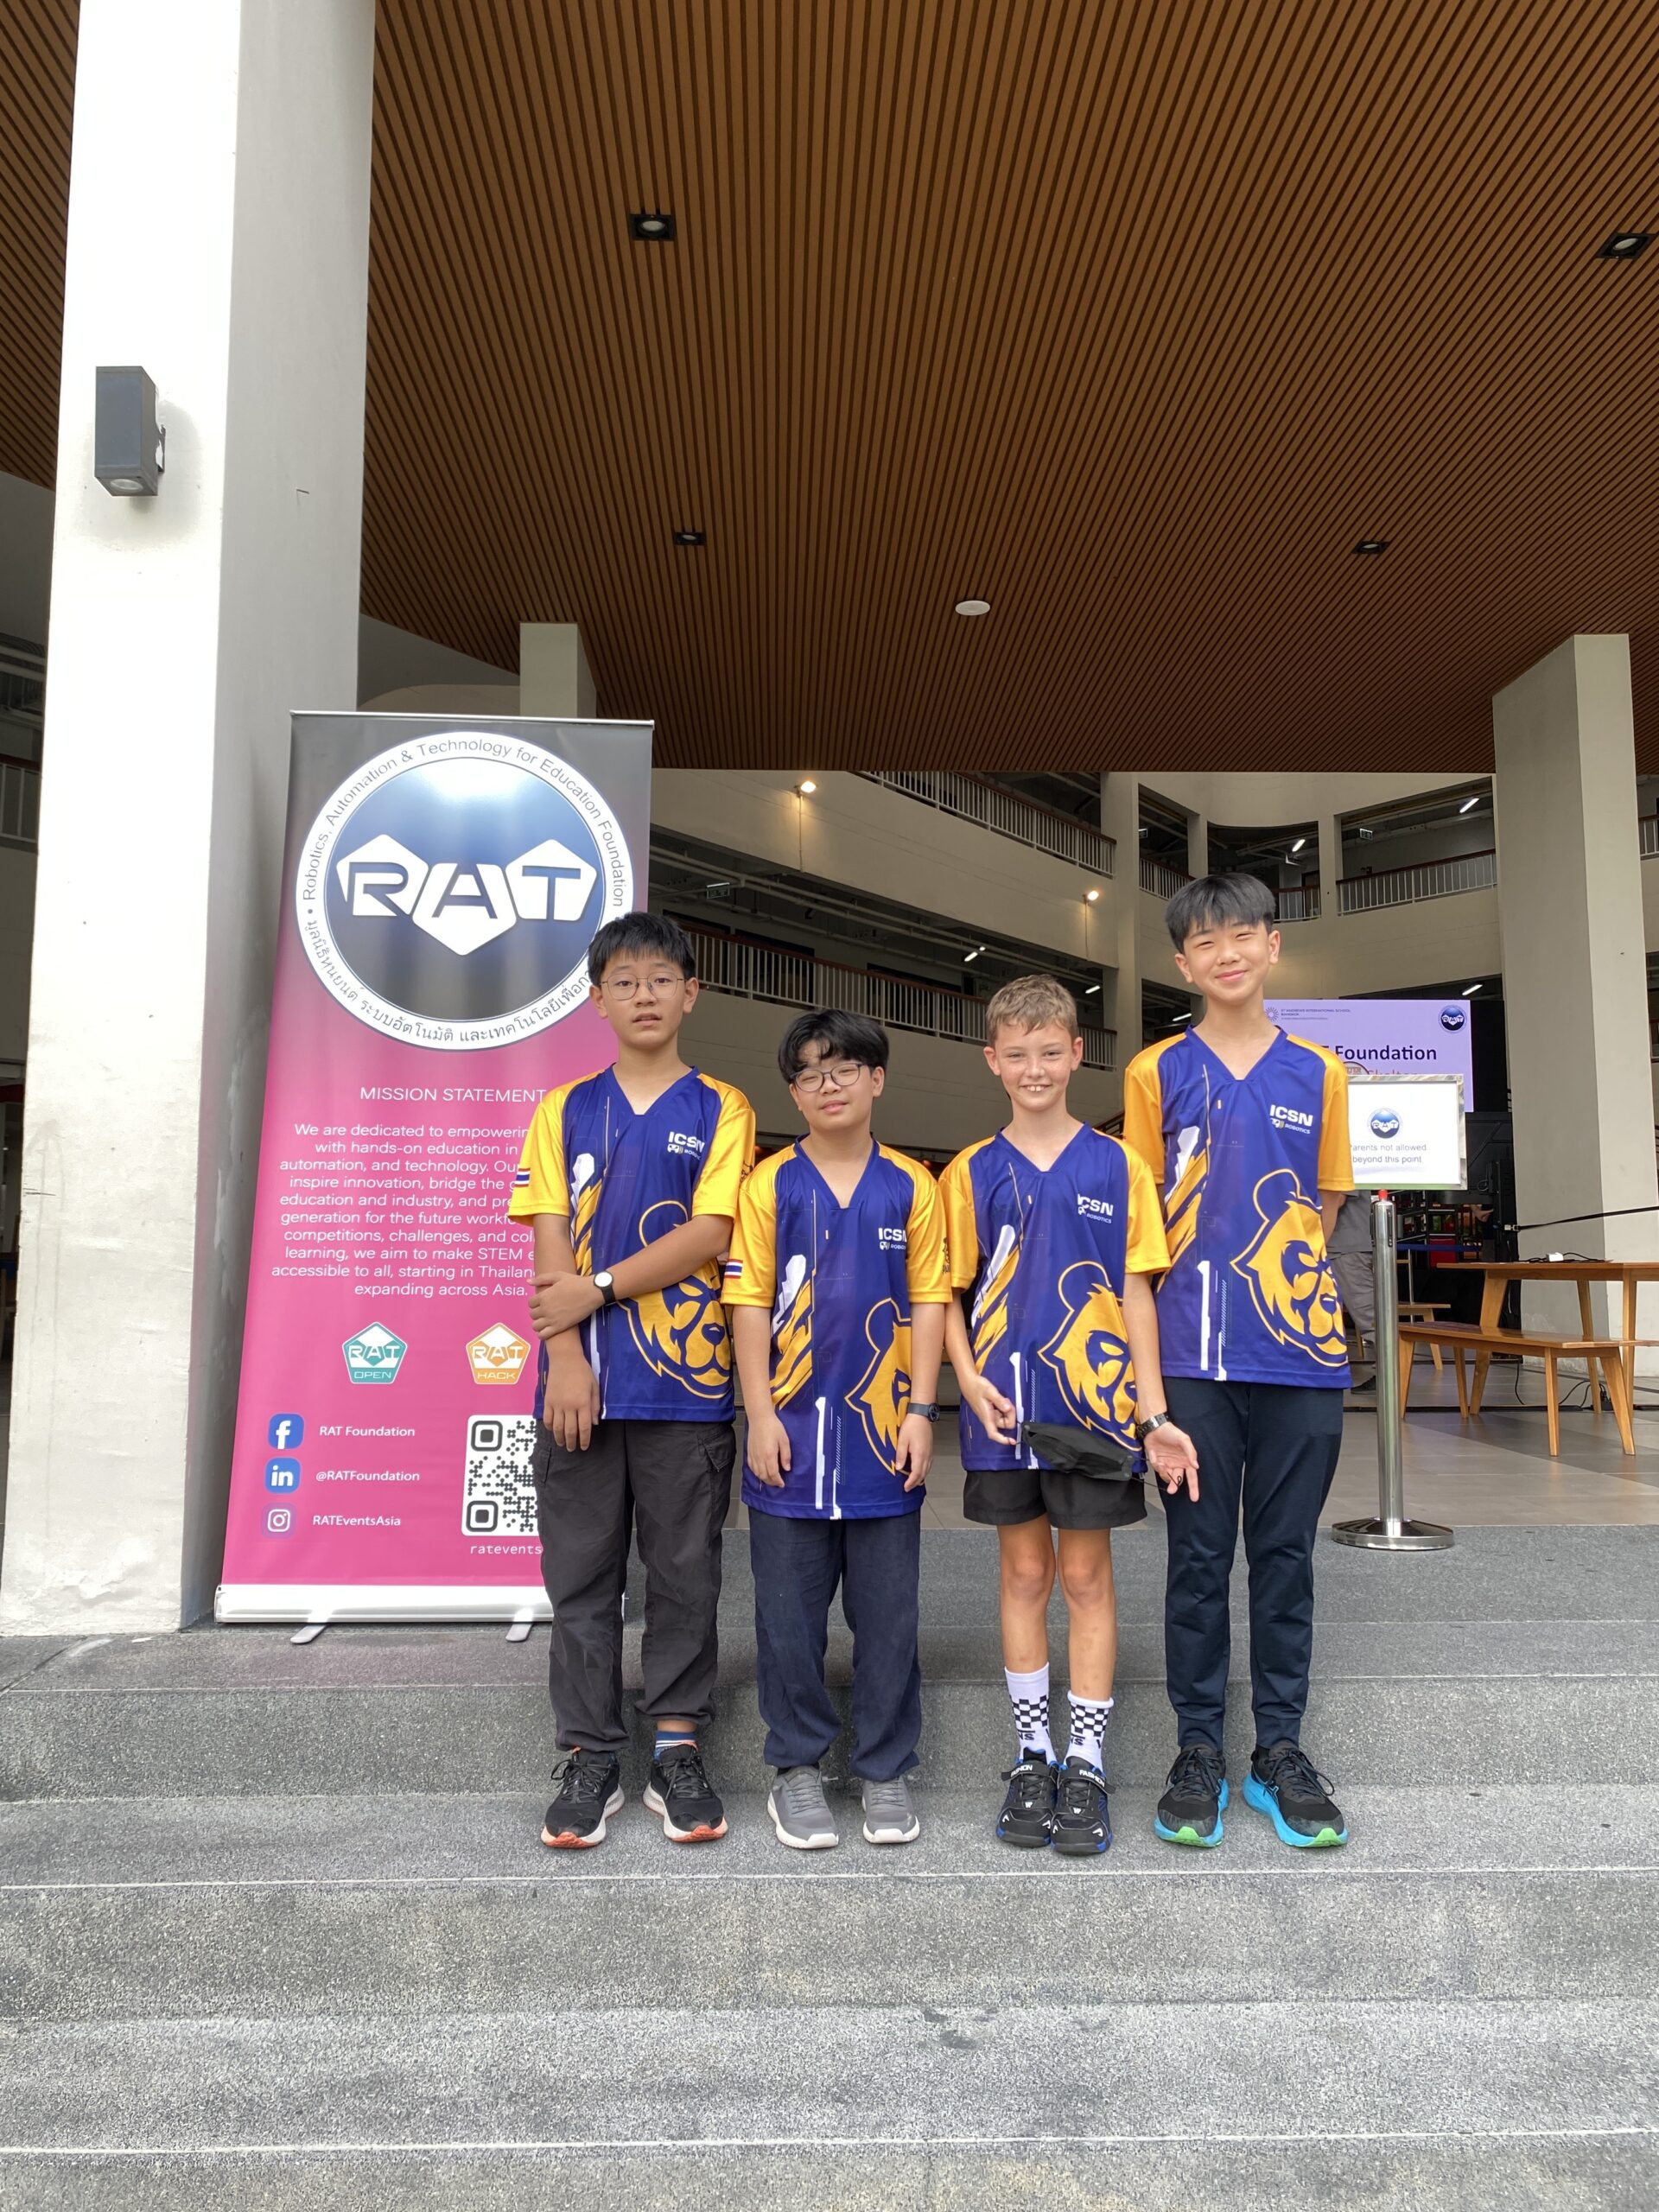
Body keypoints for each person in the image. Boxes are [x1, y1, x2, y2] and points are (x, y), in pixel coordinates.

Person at [509, 912, 755, 1851]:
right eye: (625, 981)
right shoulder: (562, 1108)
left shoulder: (722, 1107)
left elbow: (711, 1234)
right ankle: (588, 1750)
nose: (644, 995)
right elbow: (548, 1238)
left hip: (687, 1388)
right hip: (580, 1388)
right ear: (597, 997)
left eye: (662, 979)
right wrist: (565, 1354)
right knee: (580, 1575)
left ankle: (680, 1742)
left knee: (686, 1573)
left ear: (692, 993)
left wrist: (599, 1289)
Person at [940, 975, 1198, 1858]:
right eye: (1018, 1053)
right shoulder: (970, 1170)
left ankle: (1086, 1759)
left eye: (1051, 1050)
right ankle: (1032, 1753)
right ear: (992, 1060)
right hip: (1003, 1413)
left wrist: (1153, 1410)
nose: (1035, 1067)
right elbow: (948, 1291)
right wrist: (965, 1378)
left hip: (1095, 1413)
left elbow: (1134, 1292)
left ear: (1077, 1053)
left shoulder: (1118, 1163)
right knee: (1022, 1576)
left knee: (1086, 1578)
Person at [1122, 873, 1354, 1852]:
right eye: (1202, 941)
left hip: (1300, 1353)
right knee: (1199, 1558)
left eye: (1240, 934)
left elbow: (1326, 1203)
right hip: (1193, 1357)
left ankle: (1281, 1750)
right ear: (1182, 963)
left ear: (1271, 945)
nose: (1224, 952)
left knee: (1287, 1555)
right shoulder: (1153, 1072)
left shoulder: (1321, 1071)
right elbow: (1140, 1218)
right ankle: (1199, 1748)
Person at [724, 1010, 949, 1853]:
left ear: (878, 1079)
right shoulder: (766, 1185)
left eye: (846, 1067)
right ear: (793, 1090)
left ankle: (887, 1770)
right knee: (788, 1618)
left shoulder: (912, 1186)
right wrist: (760, 1414)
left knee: (888, 1617)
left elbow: (930, 1301)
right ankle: (798, 1769)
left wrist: (924, 1411)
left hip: (887, 1436)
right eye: (811, 1072)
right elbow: (746, 1302)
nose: (830, 1083)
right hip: (789, 1438)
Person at [1327, 1191, 1376, 1392]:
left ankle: (1390, 1375)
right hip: (1340, 1245)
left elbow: (1336, 1198)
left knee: (1368, 1316)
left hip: (1345, 1246)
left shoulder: (1345, 1160)